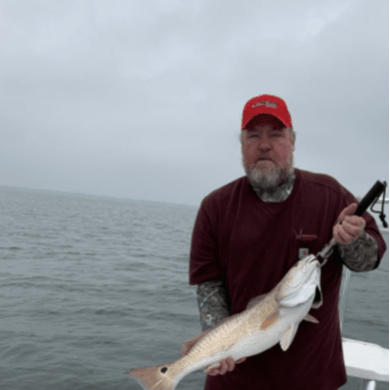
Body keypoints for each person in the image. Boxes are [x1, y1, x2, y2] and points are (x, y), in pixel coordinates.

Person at [181, 94, 387, 390]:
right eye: (254, 136)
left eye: (276, 135)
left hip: (313, 378)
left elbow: (368, 260)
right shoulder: (214, 208)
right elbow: (209, 284)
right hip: (235, 379)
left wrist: (352, 242)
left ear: (292, 141)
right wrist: (219, 337)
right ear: (241, 144)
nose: (264, 145)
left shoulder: (330, 196)